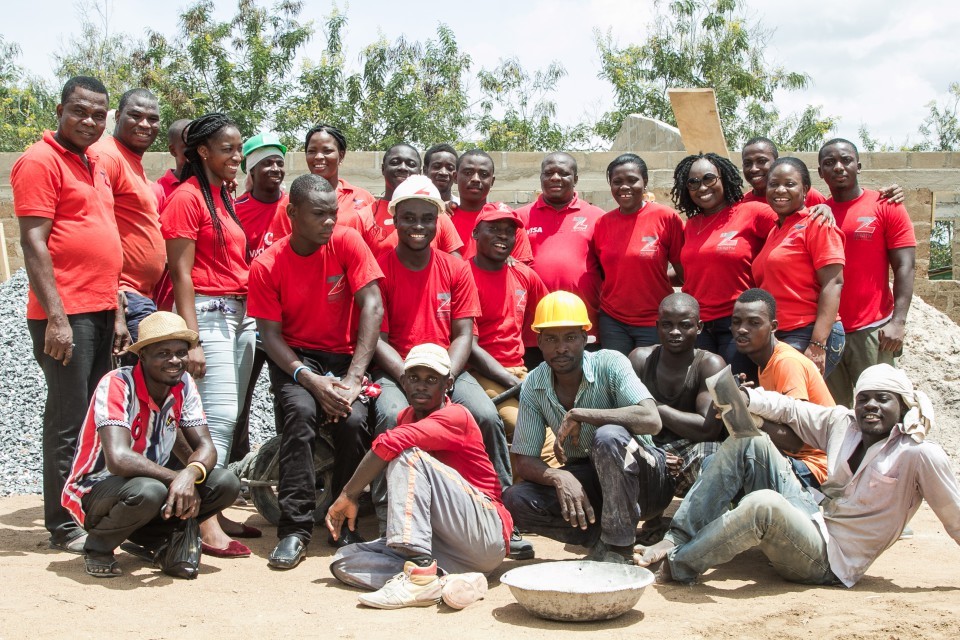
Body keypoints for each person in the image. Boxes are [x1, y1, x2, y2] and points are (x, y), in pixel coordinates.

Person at [637, 364, 960, 588]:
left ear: (902, 407)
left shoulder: (919, 454)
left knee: (763, 505)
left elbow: (954, 518)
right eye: (864, 399)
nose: (870, 406)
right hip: (816, 519)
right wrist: (747, 399)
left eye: (883, 399)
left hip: (830, 562)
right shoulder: (843, 424)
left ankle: (678, 565)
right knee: (751, 442)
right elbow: (790, 409)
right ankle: (677, 537)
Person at [11, 76, 124, 554]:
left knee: (96, 418)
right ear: (60, 110)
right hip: (66, 314)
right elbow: (33, 242)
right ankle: (62, 525)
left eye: (99, 115)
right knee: (68, 418)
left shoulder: (95, 162)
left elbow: (103, 240)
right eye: (81, 111)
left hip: (99, 310)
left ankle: (88, 508)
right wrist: (56, 317)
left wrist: (116, 312)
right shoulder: (39, 162)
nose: (90, 121)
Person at [247, 174, 384, 569]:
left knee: (354, 420)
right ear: (291, 213)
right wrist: (309, 379)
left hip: (345, 358)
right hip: (296, 359)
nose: (329, 222)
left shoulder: (347, 241)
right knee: (301, 416)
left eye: (332, 213)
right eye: (318, 214)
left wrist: (355, 378)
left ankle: (345, 519)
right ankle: (295, 529)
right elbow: (270, 337)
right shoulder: (268, 264)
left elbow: (372, 307)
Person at [327, 344, 511, 610]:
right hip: (444, 546)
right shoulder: (406, 416)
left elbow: (393, 443)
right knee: (344, 560)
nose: (421, 386)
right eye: (414, 378)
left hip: (484, 532)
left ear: (447, 384)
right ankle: (445, 580)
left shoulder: (456, 415)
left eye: (431, 380)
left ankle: (419, 580)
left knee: (405, 454)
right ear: (403, 381)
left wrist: (348, 494)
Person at [61, 312, 240, 578]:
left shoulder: (183, 384)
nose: (175, 361)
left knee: (226, 482)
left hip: (146, 487)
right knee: (149, 490)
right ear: (142, 355)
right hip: (95, 488)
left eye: (181, 352)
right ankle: (98, 547)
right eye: (163, 353)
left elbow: (206, 447)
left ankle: (157, 539)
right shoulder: (117, 384)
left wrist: (189, 475)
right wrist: (175, 478)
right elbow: (119, 459)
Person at [503, 291, 674, 564]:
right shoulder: (534, 384)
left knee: (607, 436)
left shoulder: (611, 363)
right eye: (551, 339)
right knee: (516, 499)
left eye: (570, 337)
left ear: (585, 338)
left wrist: (583, 415)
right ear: (539, 342)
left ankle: (619, 548)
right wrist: (560, 478)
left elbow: (651, 420)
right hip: (592, 479)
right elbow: (524, 460)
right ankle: (603, 541)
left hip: (646, 483)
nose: (561, 348)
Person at [371, 175, 512, 505]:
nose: (418, 226)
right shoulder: (380, 269)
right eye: (409, 218)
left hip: (448, 370)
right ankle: (385, 510)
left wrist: (443, 376)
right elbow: (377, 340)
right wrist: (411, 377)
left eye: (426, 218)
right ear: (395, 220)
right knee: (392, 418)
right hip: (398, 372)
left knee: (486, 417)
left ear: (438, 221)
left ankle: (500, 505)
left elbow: (463, 334)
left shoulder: (455, 268)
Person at [160, 112, 258, 557]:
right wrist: (192, 339)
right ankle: (205, 523)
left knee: (227, 418)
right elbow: (181, 274)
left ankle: (214, 504)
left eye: (239, 149)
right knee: (212, 422)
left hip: (238, 315)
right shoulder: (186, 198)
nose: (237, 157)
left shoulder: (222, 196)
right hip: (209, 315)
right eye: (228, 149)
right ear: (203, 151)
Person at [818, 138, 917, 408]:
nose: (838, 167)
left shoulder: (886, 206)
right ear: (820, 172)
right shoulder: (817, 213)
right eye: (829, 163)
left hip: (873, 330)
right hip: (828, 331)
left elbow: (905, 265)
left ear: (858, 166)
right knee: (834, 413)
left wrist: (898, 321)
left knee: (880, 409)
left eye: (845, 160)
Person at [467, 206, 554, 481]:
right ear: (476, 232)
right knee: (524, 428)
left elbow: (549, 317)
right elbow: (468, 346)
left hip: (519, 371)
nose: (502, 236)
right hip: (481, 374)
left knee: (561, 430)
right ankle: (520, 499)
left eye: (509, 231)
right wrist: (511, 381)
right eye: (493, 229)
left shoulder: (523, 275)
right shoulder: (463, 275)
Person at [672, 151, 776, 376]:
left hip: (737, 324)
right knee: (706, 392)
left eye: (709, 179)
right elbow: (694, 270)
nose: (702, 188)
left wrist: (821, 208)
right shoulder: (691, 225)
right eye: (693, 182)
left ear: (724, 179)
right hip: (699, 327)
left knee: (735, 391)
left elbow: (795, 221)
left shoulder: (752, 212)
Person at [629, 293, 725, 519]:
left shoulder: (710, 364)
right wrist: (653, 453)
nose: (674, 332)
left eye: (684, 325)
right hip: (647, 448)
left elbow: (707, 429)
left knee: (713, 454)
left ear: (699, 327)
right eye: (667, 325)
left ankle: (695, 525)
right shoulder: (640, 359)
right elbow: (624, 416)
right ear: (657, 326)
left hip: (690, 453)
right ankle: (646, 519)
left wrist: (652, 406)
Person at [753, 157, 846, 376]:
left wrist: (818, 344)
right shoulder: (775, 230)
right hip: (781, 333)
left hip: (808, 332)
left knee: (795, 406)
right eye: (773, 184)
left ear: (805, 189)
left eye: (789, 184)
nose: (780, 190)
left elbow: (833, 282)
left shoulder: (818, 224)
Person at [90, 88, 164, 361]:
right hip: (124, 297)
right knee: (141, 382)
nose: (145, 124)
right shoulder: (107, 157)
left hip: (138, 296)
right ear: (118, 116)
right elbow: (94, 229)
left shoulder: (130, 161)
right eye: (136, 115)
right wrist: (115, 298)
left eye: (152, 119)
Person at [732, 288, 832, 489]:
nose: (742, 329)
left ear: (773, 326)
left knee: (739, 464)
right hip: (790, 458)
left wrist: (752, 418)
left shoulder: (786, 362)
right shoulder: (765, 362)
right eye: (736, 322)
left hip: (814, 467)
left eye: (754, 323)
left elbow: (797, 440)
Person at [232, 131, 289, 464]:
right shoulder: (235, 210)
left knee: (286, 394)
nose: (275, 169)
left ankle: (285, 462)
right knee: (240, 395)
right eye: (266, 162)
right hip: (247, 315)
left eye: (279, 162)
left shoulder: (295, 208)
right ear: (250, 170)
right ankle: (235, 464)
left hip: (287, 318)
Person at [515, 152, 604, 362]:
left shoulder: (597, 216)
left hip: (583, 324)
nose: (555, 177)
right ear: (541, 178)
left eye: (563, 173)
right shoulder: (520, 217)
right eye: (549, 173)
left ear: (575, 179)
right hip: (533, 329)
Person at [594, 154, 685, 354]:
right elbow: (605, 273)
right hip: (613, 321)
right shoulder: (602, 224)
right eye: (617, 182)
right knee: (616, 380)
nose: (624, 187)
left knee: (651, 380)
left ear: (645, 182)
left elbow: (684, 272)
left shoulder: (666, 218)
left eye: (632, 180)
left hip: (654, 321)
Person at [358, 143, 462, 256]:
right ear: (383, 169)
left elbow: (455, 262)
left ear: (421, 171)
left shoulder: (436, 213)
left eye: (411, 164)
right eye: (395, 162)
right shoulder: (363, 217)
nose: (403, 167)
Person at [740, 136, 903, 207]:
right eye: (748, 163)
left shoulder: (808, 196)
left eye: (762, 161)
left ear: (777, 163)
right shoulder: (742, 204)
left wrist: (891, 195)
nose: (754, 169)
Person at [447, 149, 533, 264]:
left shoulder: (509, 221)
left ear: (492, 181)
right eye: (468, 173)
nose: (475, 179)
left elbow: (522, 270)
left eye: (483, 174)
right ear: (455, 177)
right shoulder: (444, 219)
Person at [154, 118, 191, 205]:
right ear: (173, 150)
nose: (196, 151)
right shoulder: (158, 192)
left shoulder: (212, 187)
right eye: (188, 146)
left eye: (199, 145)